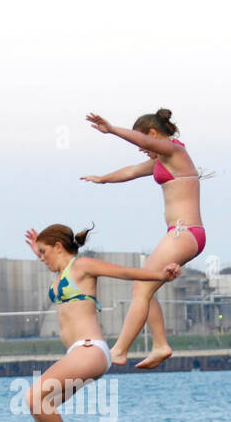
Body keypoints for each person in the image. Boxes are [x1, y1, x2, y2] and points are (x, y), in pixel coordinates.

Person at [24, 223, 181, 422]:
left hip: (90, 349)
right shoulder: (62, 273)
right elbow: (51, 256)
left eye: (44, 253)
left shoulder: (82, 267)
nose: (42, 259)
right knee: (38, 404)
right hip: (78, 352)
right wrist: (39, 246)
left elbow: (124, 272)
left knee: (34, 395)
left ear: (59, 247)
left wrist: (161, 275)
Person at [81, 107, 208, 369]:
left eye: (145, 142)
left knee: (141, 285)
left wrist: (112, 129)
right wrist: (102, 179)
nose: (143, 150)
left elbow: (143, 143)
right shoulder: (164, 160)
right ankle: (160, 345)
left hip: (185, 232)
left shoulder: (175, 151)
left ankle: (119, 350)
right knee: (143, 287)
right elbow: (131, 171)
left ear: (153, 134)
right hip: (181, 233)